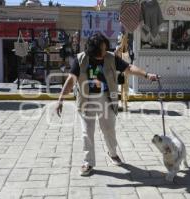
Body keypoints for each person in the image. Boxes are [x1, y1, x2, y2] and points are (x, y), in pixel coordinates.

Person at [56, 32, 158, 176]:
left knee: (109, 129)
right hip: (86, 99)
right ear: (93, 51)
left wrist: (147, 75)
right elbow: (71, 80)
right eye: (101, 50)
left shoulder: (110, 58)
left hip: (106, 98)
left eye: (105, 49)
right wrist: (60, 99)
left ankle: (113, 153)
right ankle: (88, 162)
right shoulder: (81, 59)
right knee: (87, 132)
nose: (104, 52)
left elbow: (128, 68)